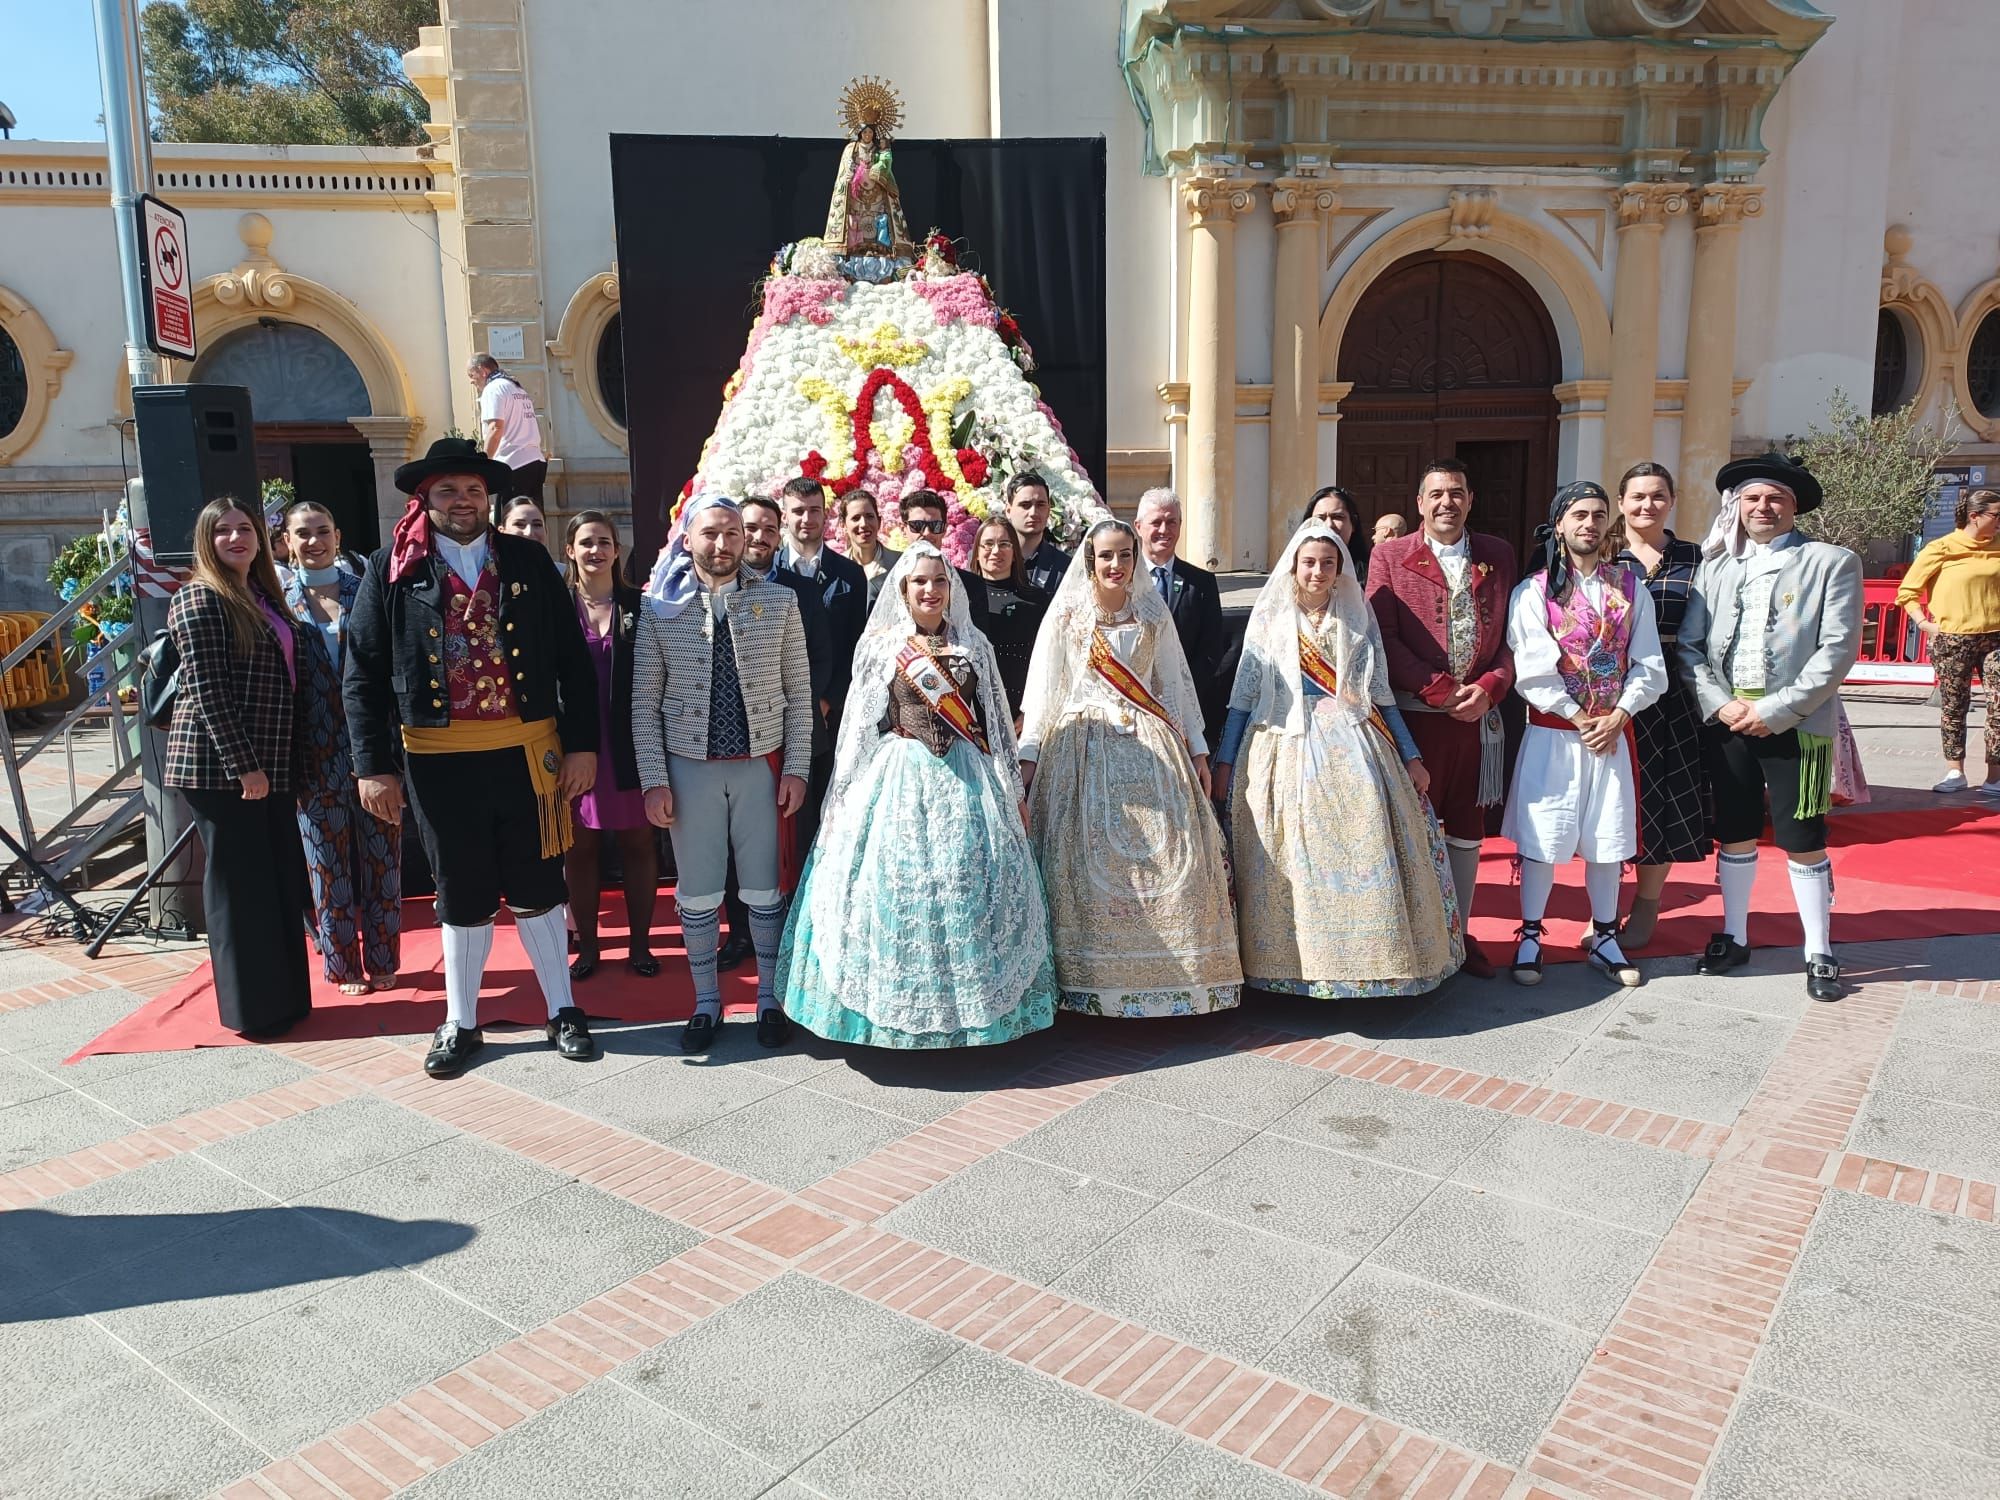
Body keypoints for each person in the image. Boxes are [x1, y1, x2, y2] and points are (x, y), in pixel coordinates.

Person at [346, 437, 601, 1076]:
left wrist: (583, 746)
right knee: (459, 890)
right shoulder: (390, 568)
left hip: (527, 753)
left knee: (540, 885)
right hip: (438, 762)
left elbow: (574, 659)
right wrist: (372, 766)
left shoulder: (528, 559)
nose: (463, 501)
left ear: (488, 497)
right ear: (423, 498)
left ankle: (563, 1009)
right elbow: (363, 672)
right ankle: (460, 1021)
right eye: (448, 491)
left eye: (473, 491)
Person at [779, 545, 1059, 1046]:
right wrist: (841, 796)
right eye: (920, 583)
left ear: (951, 590)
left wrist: (1013, 790)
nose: (930, 591)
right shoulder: (883, 647)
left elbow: (994, 724)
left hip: (968, 778)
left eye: (939, 582)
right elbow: (859, 729)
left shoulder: (975, 646)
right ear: (903, 591)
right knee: (896, 885)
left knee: (966, 882)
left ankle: (974, 1016)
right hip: (899, 774)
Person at [1213, 522, 1460, 998]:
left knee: (1363, 839)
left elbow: (1382, 695)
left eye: (1329, 563)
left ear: (1340, 568)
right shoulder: (1269, 618)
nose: (1318, 571)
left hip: (1354, 744)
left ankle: (1368, 963)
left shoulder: (1355, 617)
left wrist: (1410, 755)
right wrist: (1225, 762)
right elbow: (1242, 698)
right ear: (1293, 565)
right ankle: (1289, 965)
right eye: (1310, 562)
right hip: (1282, 743)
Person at [1017, 518, 1242, 1016]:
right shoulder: (1068, 617)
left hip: (1151, 743)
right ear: (1089, 561)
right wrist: (1027, 760)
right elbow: (1044, 690)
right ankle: (1093, 981)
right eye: (1106, 556)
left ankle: (1175, 980)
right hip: (1082, 746)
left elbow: (1177, 688)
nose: (1115, 565)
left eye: (1124, 555)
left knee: (1174, 853)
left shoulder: (1151, 613)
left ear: (1135, 560)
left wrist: (1199, 752)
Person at [1678, 453, 1863, 1003]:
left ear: (1794, 506)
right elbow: (1690, 648)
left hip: (1799, 723)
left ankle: (1818, 950)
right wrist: (1721, 705)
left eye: (1775, 498)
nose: (1762, 507)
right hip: (1729, 720)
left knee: (1803, 836)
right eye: (1752, 498)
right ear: (1737, 506)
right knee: (1733, 829)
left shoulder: (1832, 561)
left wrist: (1776, 710)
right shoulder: (1715, 567)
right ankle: (1734, 935)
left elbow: (1837, 650)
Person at [632, 495, 814, 1052]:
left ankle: (768, 1000)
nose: (722, 544)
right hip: (690, 770)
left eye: (732, 533)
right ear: (688, 540)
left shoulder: (781, 603)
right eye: (710, 533)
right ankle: (706, 1001)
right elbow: (644, 702)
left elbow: (798, 695)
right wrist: (653, 779)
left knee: (763, 888)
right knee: (699, 892)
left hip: (760, 765)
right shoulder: (660, 609)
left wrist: (798, 768)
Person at [1502, 482, 1666, 987]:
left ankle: (1604, 933)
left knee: (1607, 839)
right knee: (1543, 839)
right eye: (1578, 515)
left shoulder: (1630, 588)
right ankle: (1531, 935)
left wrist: (1619, 714)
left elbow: (1650, 662)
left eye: (1597, 514)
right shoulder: (1533, 592)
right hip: (1555, 736)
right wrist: (1578, 718)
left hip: (1611, 735)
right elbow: (1531, 671)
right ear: (1559, 526)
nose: (1589, 524)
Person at [164, 497, 313, 1038]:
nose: (235, 538)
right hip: (222, 770)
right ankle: (251, 1011)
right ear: (207, 539)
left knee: (276, 884)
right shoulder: (199, 598)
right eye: (222, 530)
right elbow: (208, 691)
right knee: (239, 890)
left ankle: (288, 999)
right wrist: (244, 767)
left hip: (270, 764)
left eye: (244, 528)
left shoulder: (261, 593)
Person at [1366, 458, 1517, 979]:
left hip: (1478, 721)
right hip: (1418, 720)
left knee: (1468, 829)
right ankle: (1421, 937)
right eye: (1436, 494)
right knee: (1413, 827)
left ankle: (1462, 933)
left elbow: (1513, 640)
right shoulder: (1389, 556)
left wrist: (1491, 688)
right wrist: (1440, 690)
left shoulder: (1498, 554)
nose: (1446, 502)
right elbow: (1381, 637)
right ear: (1419, 504)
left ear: (1470, 499)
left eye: (1456, 492)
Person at [283, 500, 399, 995]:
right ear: (287, 542)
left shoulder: (366, 590)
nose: (314, 541)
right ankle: (345, 966)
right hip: (312, 752)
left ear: (338, 534)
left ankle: (384, 958)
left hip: (373, 745)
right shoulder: (276, 601)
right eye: (302, 534)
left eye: (322, 531)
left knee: (382, 857)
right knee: (326, 867)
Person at [720, 494, 836, 970]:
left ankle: (796, 928)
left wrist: (805, 711)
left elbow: (821, 658)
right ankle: (741, 932)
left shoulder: (799, 591)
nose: (760, 537)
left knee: (797, 832)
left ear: (780, 531)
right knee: (735, 839)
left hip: (794, 733)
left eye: (769, 528)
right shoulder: (718, 590)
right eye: (751, 528)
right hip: (737, 742)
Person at [1608, 462, 1712, 948]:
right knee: (1611, 799)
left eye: (1657, 496)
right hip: (1609, 692)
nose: (1646, 505)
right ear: (1622, 502)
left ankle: (1647, 900)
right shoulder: (1603, 557)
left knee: (1662, 796)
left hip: (1674, 695)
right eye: (1637, 497)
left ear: (1671, 501)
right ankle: (1604, 905)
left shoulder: (1696, 557)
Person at [561, 512, 659, 981]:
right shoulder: (555, 607)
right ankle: (589, 950)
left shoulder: (641, 606)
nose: (595, 550)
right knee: (580, 848)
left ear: (617, 551)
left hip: (632, 741)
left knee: (640, 842)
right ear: (570, 551)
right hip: (576, 746)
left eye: (604, 542)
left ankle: (640, 947)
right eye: (586, 543)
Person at [1898, 486, 2000, 794]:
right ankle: (1955, 771)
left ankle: (1994, 776)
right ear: (1974, 516)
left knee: (1999, 705)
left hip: (1996, 637)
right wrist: (1925, 624)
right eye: (1996, 515)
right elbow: (1908, 592)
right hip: (1953, 638)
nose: (1999, 522)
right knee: (1955, 705)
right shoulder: (1941, 548)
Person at [1135, 488, 1230, 743]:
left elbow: (1211, 651)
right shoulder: (1123, 581)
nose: (1164, 530)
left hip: (1185, 709)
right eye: (1156, 522)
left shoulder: (1202, 583)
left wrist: (1178, 692)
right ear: (1139, 526)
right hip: (1133, 705)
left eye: (1172, 522)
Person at [970, 516, 1049, 720]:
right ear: (977, 553)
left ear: (1015, 553)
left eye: (1004, 544)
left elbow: (1047, 662)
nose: (996, 551)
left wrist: (1030, 714)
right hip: (972, 717)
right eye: (988, 544)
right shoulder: (961, 598)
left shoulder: (1038, 600)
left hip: (1024, 715)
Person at [900, 489, 989, 631]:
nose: (927, 533)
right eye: (917, 526)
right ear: (903, 529)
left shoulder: (972, 586)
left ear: (945, 529)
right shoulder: (882, 585)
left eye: (935, 526)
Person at [469, 354, 546, 508]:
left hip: (513, 465)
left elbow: (495, 428)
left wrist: (485, 464)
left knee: (510, 522)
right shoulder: (516, 387)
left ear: (482, 370)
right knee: (533, 519)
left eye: (471, 375)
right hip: (535, 462)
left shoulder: (492, 389)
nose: (471, 380)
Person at [1006, 471, 1071, 593]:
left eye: (1040, 505)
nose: (1033, 513)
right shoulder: (988, 558)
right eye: (1025, 505)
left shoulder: (1065, 566)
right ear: (1008, 511)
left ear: (1048, 510)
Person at [841, 492, 900, 608]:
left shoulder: (899, 563)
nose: (863, 524)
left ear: (879, 522)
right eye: (856, 518)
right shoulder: (836, 567)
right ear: (843, 526)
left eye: (869, 516)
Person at [1305, 483, 1371, 581]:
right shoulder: (1294, 572)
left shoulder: (1372, 573)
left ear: (1353, 524)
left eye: (1338, 517)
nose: (1329, 525)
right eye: (1320, 518)